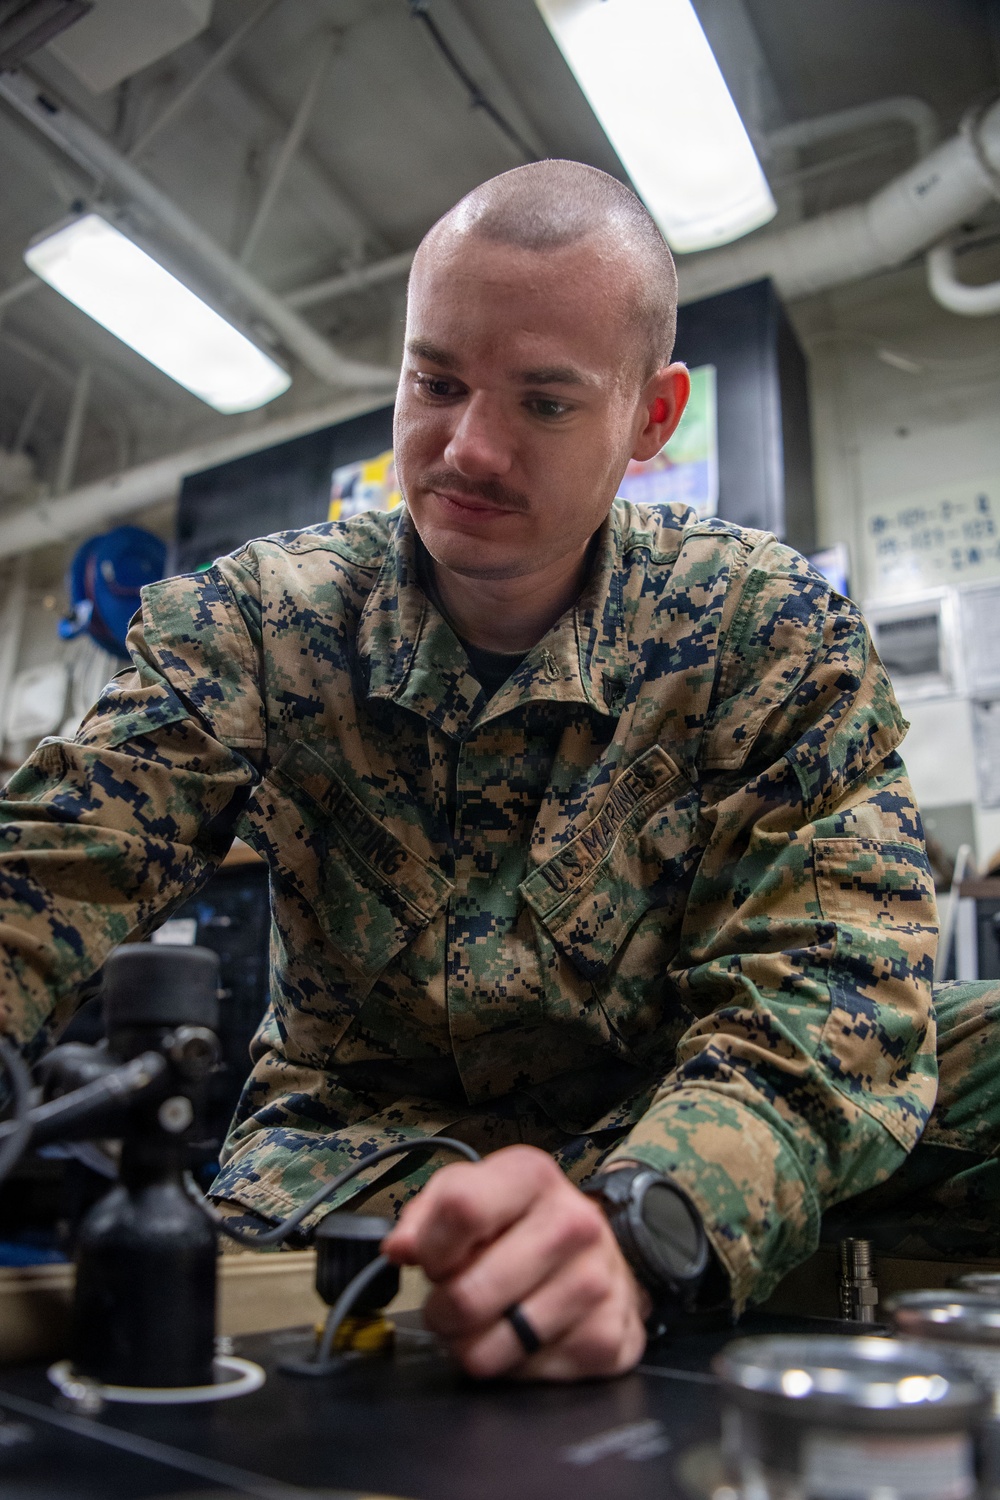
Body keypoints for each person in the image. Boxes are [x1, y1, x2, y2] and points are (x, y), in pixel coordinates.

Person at [0, 161, 996, 1385]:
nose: (468, 449)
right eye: (436, 382)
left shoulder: (765, 628)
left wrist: (655, 1213)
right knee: (385, 1248)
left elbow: (832, 992)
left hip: (689, 1111)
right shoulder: (263, 622)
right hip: (371, 1151)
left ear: (651, 418)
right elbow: (44, 872)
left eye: (546, 403)